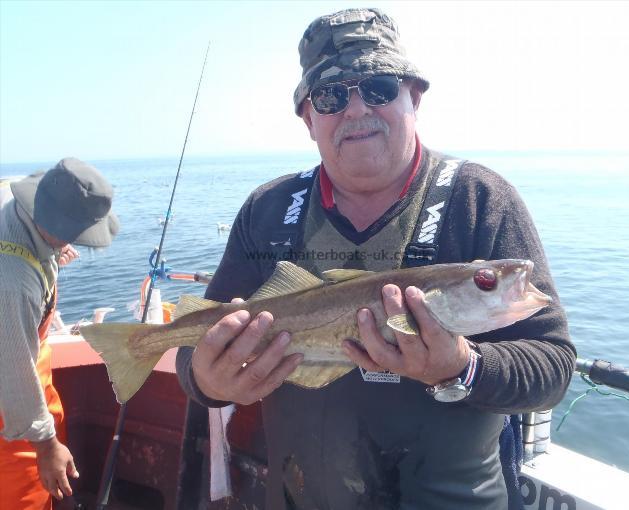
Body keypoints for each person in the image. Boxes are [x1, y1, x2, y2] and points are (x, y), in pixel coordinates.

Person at [176, 8, 575, 509]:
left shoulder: (480, 200)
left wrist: (461, 367)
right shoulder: (267, 211)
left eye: (380, 87)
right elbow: (194, 349)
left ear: (414, 96)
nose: (357, 109)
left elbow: (553, 365)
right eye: (331, 96)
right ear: (308, 117)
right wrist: (210, 381)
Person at [0, 158, 119, 509]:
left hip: (22, 361)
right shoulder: (14, 283)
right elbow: (13, 376)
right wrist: (46, 445)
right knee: (23, 493)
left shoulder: (20, 202)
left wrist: (49, 247)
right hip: (10, 401)